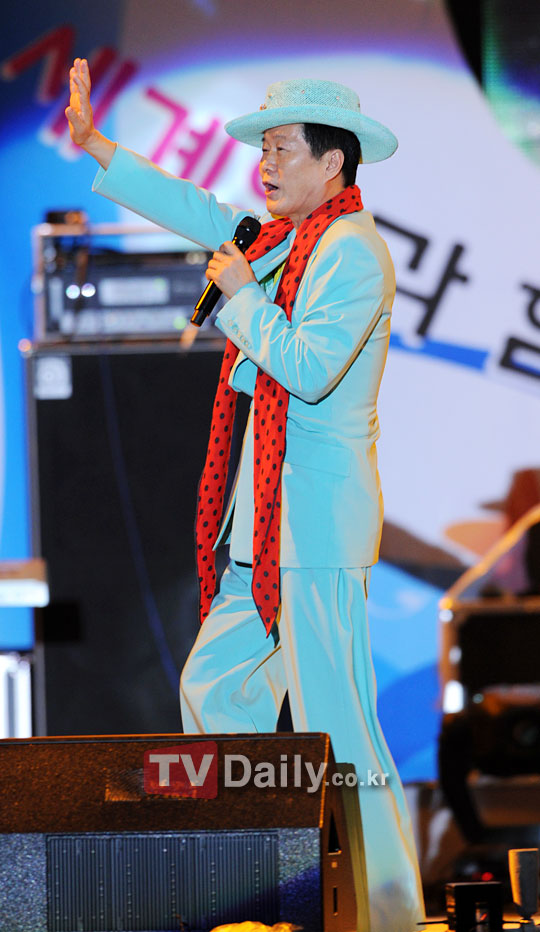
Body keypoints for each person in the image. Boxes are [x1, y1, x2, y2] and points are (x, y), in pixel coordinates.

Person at [67, 58, 425, 932]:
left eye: (282, 149)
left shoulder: (354, 252)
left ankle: (388, 912)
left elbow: (307, 367)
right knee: (216, 693)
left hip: (317, 530)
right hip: (257, 531)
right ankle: (257, 885)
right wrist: (97, 146)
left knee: (340, 730)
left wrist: (237, 299)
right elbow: (199, 211)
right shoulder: (281, 242)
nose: (265, 165)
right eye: (263, 149)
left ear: (332, 162)